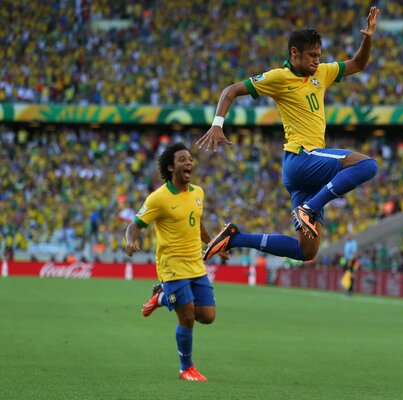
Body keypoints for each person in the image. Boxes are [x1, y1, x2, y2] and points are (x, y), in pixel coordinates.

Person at [198, 6, 381, 263]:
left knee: (306, 251)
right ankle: (310, 207)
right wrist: (217, 124)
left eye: (319, 55)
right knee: (368, 165)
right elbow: (230, 90)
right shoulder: (278, 78)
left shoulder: (322, 73)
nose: (317, 60)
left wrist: (368, 37)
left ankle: (235, 238)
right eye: (311, 55)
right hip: (302, 157)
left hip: (305, 173)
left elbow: (359, 63)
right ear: (294, 53)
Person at [124, 142, 229, 382]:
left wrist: (214, 243)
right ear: (171, 167)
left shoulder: (198, 192)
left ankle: (161, 297)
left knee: (208, 315)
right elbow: (134, 224)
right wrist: (130, 241)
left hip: (196, 264)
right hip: (172, 266)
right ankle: (186, 368)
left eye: (190, 159)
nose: (189, 162)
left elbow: (198, 224)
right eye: (183, 159)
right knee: (187, 316)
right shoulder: (158, 198)